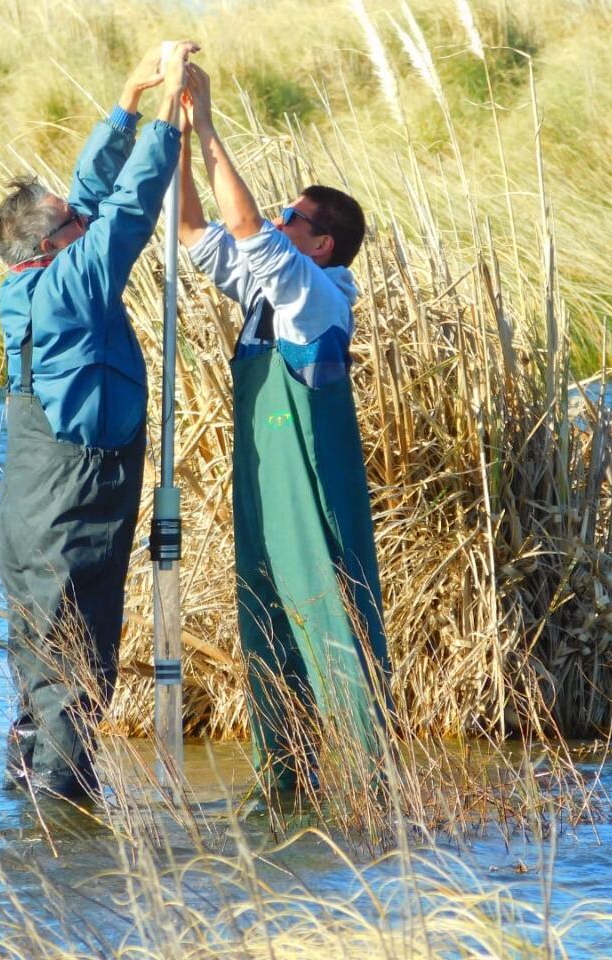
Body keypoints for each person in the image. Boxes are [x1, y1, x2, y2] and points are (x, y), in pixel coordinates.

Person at [0, 41, 197, 800]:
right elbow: (129, 207)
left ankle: (28, 782)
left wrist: (129, 100)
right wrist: (170, 122)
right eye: (72, 221)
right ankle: (63, 819)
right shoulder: (77, 280)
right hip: (76, 494)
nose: (82, 215)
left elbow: (93, 199)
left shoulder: (27, 278)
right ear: (57, 240)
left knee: (39, 648)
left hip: (30, 501)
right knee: (77, 649)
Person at [176, 64, 392, 793]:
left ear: (321, 244)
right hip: (267, 487)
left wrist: (209, 125)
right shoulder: (270, 290)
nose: (275, 223)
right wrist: (178, 136)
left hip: (314, 491)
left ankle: (372, 784)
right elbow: (196, 230)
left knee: (332, 618)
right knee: (265, 622)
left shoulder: (314, 295)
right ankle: (287, 780)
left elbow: (244, 229)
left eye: (291, 219)